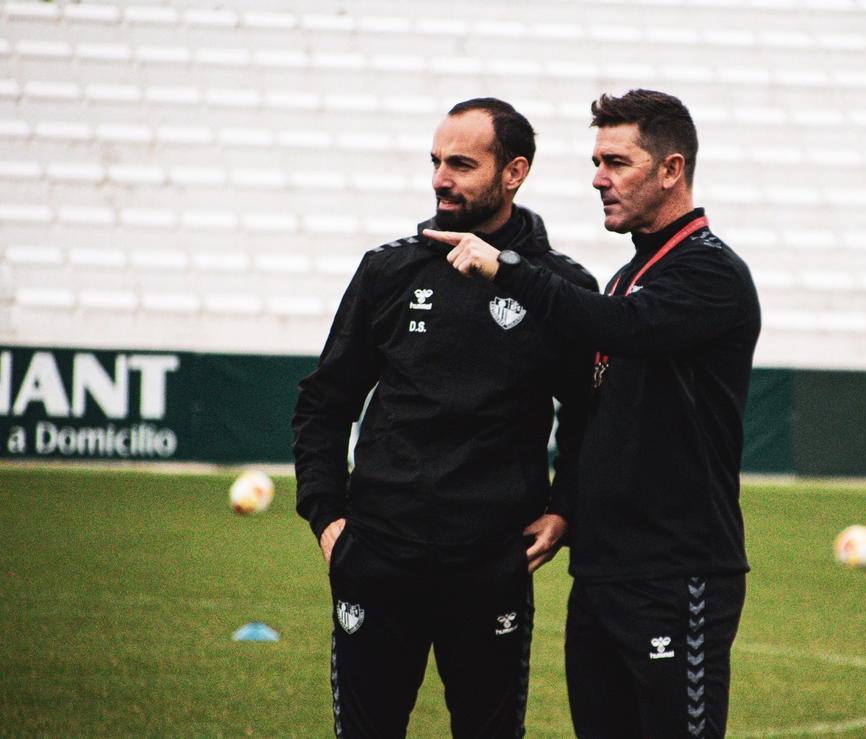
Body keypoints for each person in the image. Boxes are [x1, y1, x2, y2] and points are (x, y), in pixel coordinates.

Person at [426, 89, 761, 738]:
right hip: (602, 573)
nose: (597, 178)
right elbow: (602, 417)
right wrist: (566, 507)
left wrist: (508, 269)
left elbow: (627, 327)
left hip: (676, 572)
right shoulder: (629, 275)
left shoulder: (710, 273)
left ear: (671, 170)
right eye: (595, 160)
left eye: (616, 161)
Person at [292, 97, 597, 738]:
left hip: (491, 565)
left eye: (461, 164)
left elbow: (588, 414)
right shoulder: (390, 270)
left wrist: (565, 506)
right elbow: (325, 401)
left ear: (513, 172)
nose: (439, 179)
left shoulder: (559, 287)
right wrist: (327, 518)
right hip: (376, 555)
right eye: (435, 161)